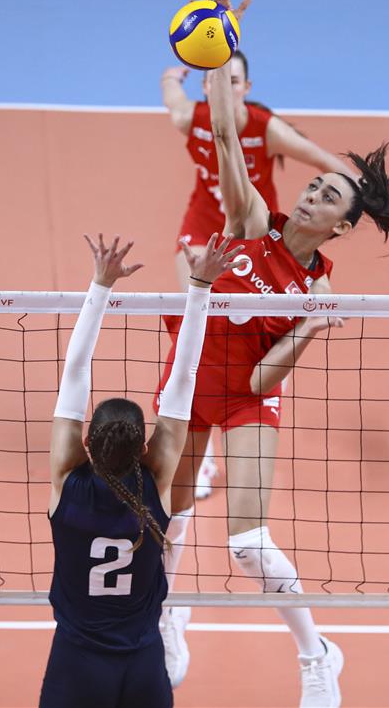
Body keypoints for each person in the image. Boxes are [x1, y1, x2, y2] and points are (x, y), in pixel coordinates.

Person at [154, 0, 389, 708]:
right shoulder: (252, 220)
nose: (311, 195)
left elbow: (262, 382)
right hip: (190, 373)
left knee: (246, 542)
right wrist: (221, 50)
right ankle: (168, 617)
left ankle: (318, 655)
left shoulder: (313, 290)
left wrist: (311, 323)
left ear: (341, 226)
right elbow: (226, 138)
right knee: (170, 515)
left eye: (328, 197)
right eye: (313, 188)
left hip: (246, 392)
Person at [40, 232, 239, 707]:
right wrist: (200, 287)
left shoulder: (68, 483)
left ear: (86, 444)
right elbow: (185, 378)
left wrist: (101, 284)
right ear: (145, 448)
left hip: (76, 662)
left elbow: (74, 371)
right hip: (143, 663)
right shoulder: (156, 483)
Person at [162, 40, 351, 502]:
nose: (222, 87)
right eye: (215, 80)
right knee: (195, 324)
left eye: (231, 80)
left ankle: (243, 412)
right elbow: (177, 98)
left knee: (252, 342)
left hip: (254, 222)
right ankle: (201, 445)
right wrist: (174, 75)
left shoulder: (267, 130)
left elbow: (323, 162)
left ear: (246, 87)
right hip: (203, 225)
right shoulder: (191, 118)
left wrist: (362, 198)